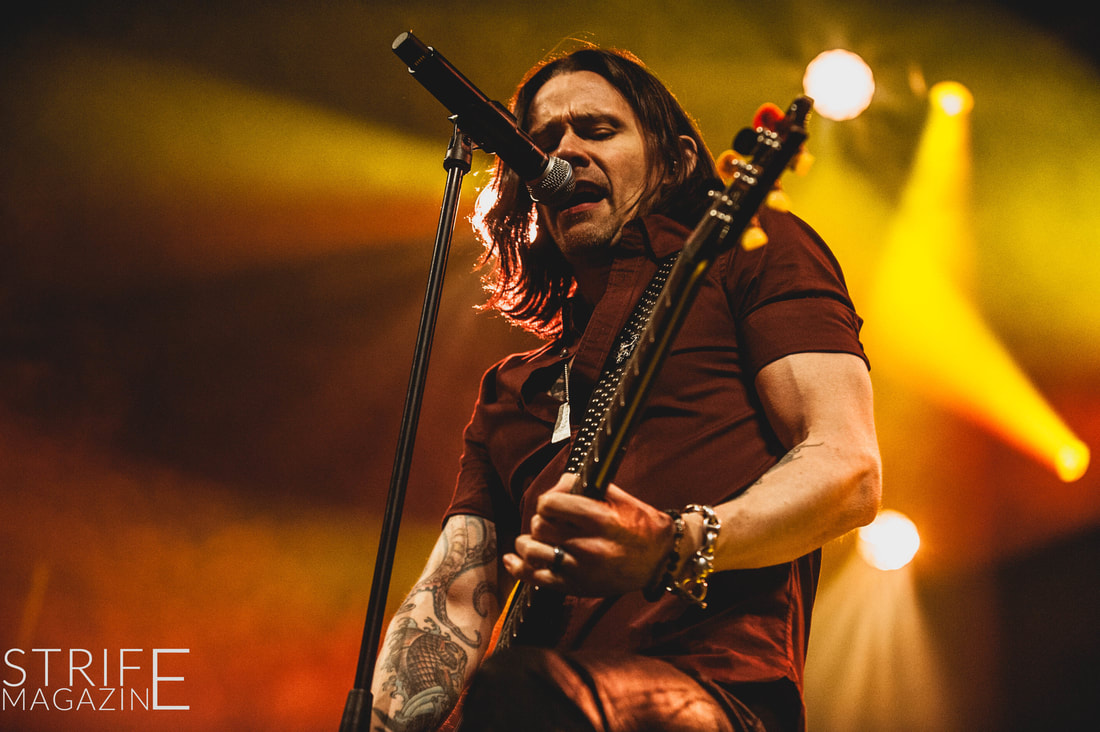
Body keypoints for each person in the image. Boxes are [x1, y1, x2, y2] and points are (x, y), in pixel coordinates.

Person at [370, 45, 881, 732]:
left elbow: (849, 468)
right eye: (544, 140)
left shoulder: (747, 256)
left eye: (598, 130)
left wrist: (672, 544)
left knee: (522, 690)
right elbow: (455, 600)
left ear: (675, 160)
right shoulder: (511, 392)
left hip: (705, 694)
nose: (565, 152)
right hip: (528, 705)